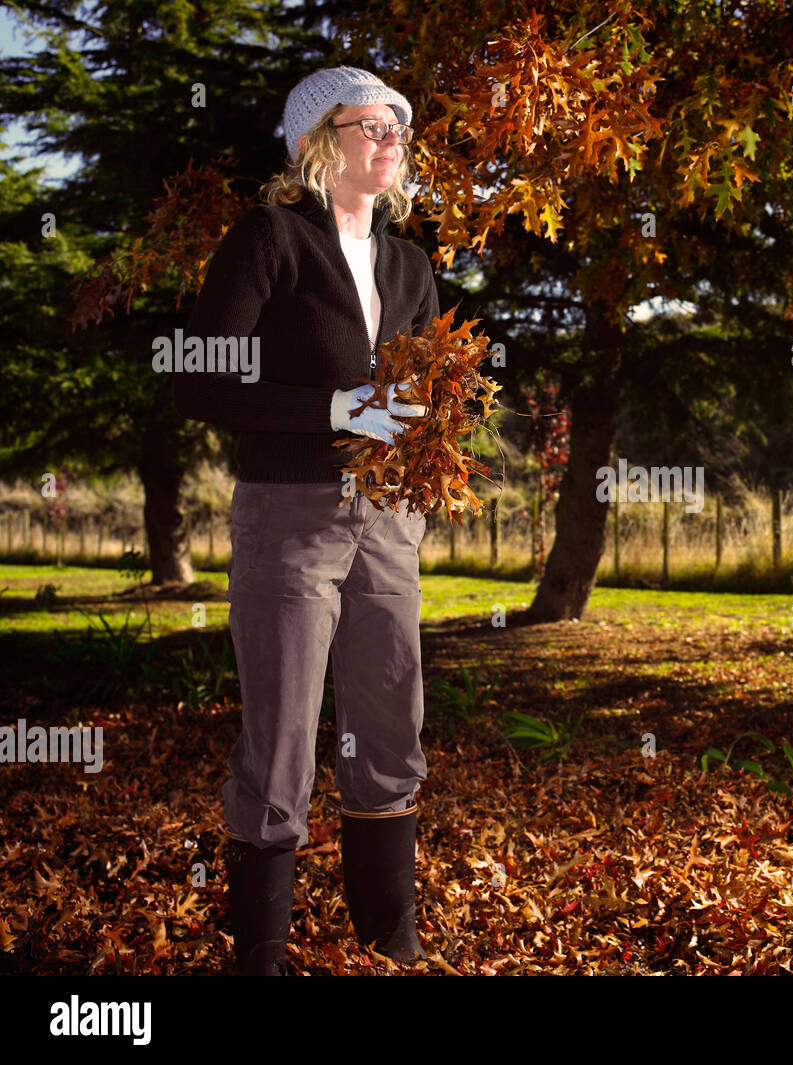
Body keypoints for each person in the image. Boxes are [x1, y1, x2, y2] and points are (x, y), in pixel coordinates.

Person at [174, 66, 439, 974]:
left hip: (390, 522)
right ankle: (261, 955)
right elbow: (201, 376)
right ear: (318, 140)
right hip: (290, 514)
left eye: (399, 124)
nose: (393, 138)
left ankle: (390, 941)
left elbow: (428, 388)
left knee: (391, 719)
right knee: (282, 733)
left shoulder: (411, 264)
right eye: (373, 124)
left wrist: (430, 431)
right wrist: (333, 409)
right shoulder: (270, 238)